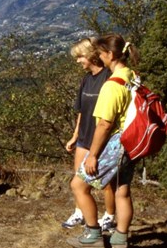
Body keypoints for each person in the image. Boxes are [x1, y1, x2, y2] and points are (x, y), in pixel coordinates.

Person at [67, 34, 139, 248]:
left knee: (78, 185)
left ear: (109, 55)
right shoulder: (131, 75)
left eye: (100, 53)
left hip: (115, 143)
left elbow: (105, 124)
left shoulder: (111, 85)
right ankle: (119, 239)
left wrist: (93, 156)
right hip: (131, 141)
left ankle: (93, 235)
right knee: (122, 190)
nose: (97, 56)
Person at [63, 38, 116, 232]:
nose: (78, 61)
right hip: (84, 137)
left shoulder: (108, 77)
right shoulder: (86, 79)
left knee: (106, 182)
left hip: (102, 140)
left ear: (92, 55)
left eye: (80, 57)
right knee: (79, 178)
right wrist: (75, 135)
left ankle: (109, 216)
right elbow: (81, 111)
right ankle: (80, 212)